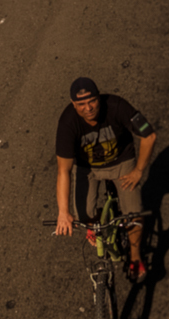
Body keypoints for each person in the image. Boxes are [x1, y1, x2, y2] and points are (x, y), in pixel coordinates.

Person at [55, 77, 157, 283]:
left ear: (99, 97)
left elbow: (149, 136)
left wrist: (138, 171)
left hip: (122, 163)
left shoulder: (118, 106)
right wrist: (63, 212)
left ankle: (135, 258)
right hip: (88, 168)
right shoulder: (67, 122)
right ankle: (96, 223)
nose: (88, 108)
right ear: (73, 104)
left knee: (133, 216)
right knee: (83, 216)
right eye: (81, 104)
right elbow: (63, 171)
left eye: (92, 101)